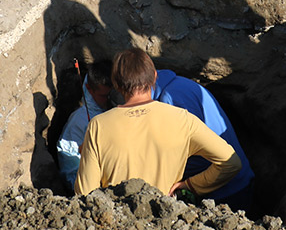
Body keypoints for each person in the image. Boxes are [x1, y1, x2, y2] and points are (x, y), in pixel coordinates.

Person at [75, 49, 242, 197]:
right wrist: (191, 185)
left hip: (117, 224)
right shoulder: (183, 119)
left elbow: (85, 193)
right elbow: (230, 162)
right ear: (154, 76)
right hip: (163, 223)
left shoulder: (98, 126)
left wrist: (90, 153)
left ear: (116, 85)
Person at [153, 68, 255, 210]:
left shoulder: (171, 99)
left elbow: (203, 157)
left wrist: (175, 181)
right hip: (231, 183)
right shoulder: (177, 86)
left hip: (227, 190)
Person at [56, 59, 113, 189]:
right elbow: (71, 174)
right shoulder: (78, 122)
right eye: (104, 96)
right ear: (89, 88)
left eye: (113, 94)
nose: (109, 100)